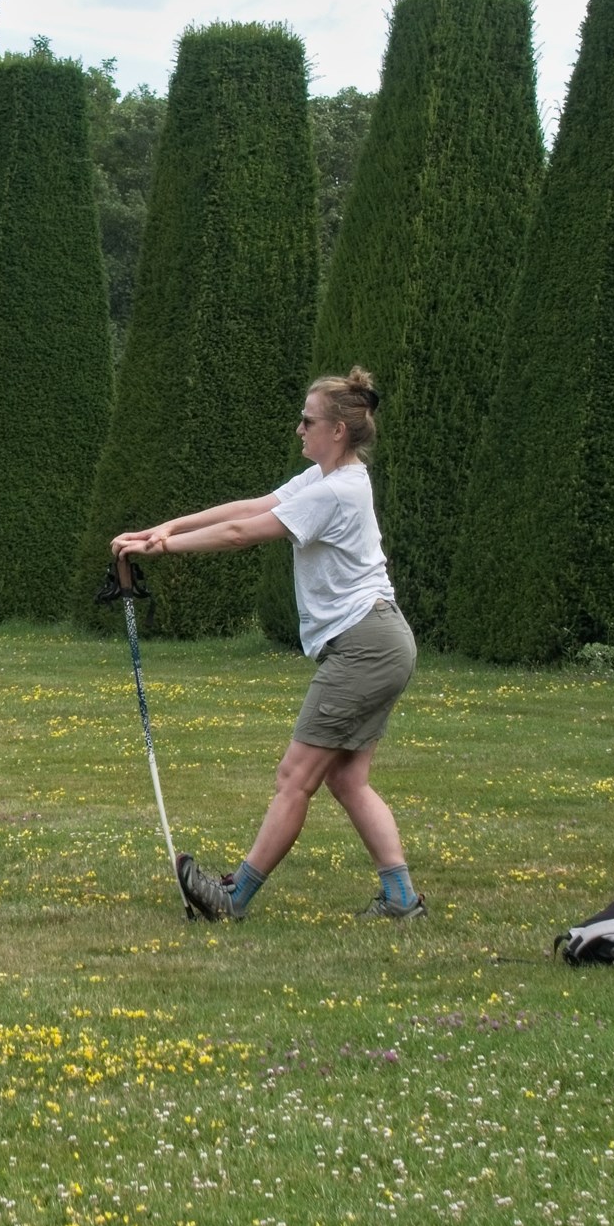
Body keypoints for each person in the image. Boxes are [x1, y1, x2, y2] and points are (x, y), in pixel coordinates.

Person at [109, 368, 422, 922]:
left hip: (365, 644)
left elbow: (242, 535)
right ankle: (400, 898)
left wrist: (164, 550)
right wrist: (163, 528)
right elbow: (249, 507)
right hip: (380, 639)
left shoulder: (338, 491)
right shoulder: (324, 477)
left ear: (338, 432)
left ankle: (234, 898)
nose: (298, 428)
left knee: (294, 777)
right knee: (347, 779)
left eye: (308, 420)